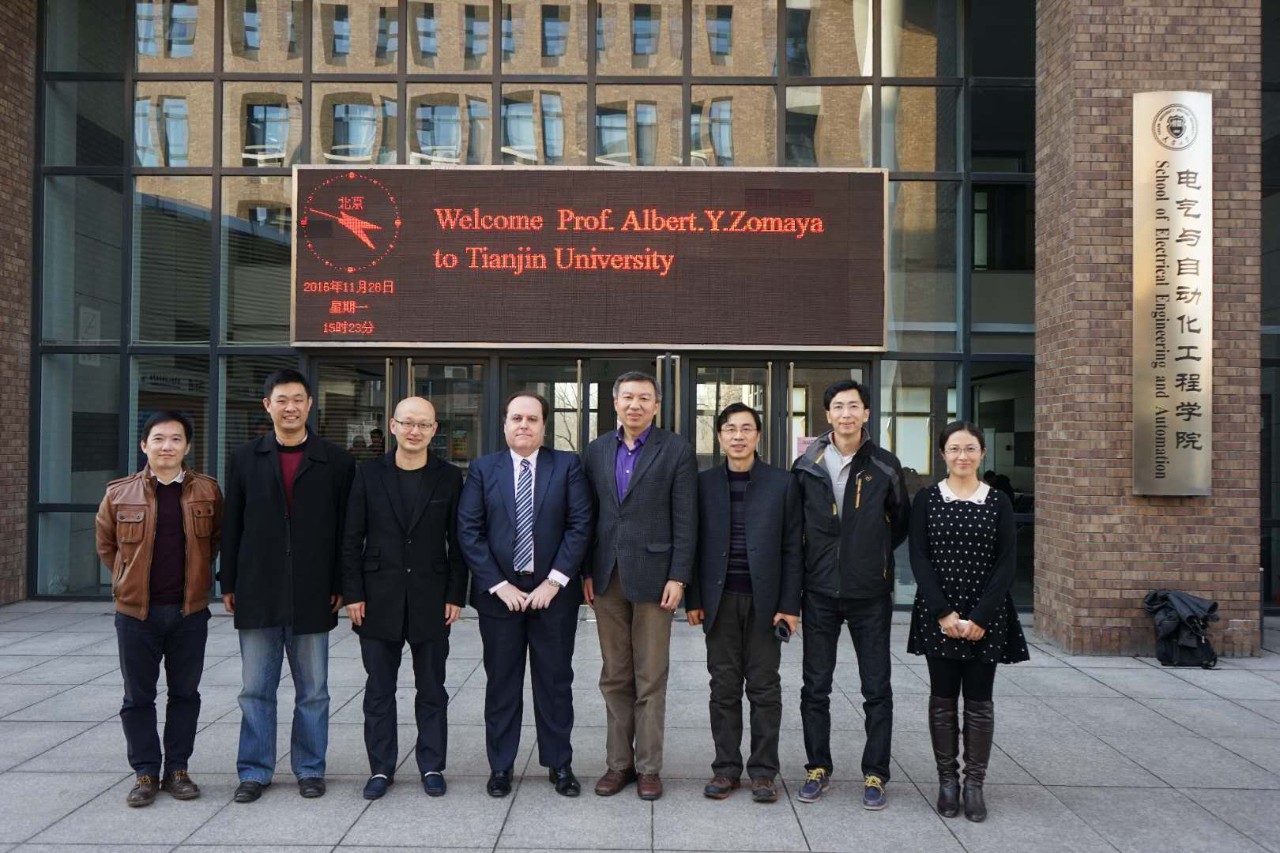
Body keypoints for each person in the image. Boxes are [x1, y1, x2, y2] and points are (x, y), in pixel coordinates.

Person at [219, 368, 356, 803]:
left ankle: (310, 769)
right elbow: (232, 525)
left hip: (314, 589)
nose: (290, 407)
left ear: (310, 404)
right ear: (268, 405)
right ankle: (255, 771)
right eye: (282, 399)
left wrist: (340, 584)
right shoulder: (244, 459)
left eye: (298, 399)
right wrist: (229, 581)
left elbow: (345, 533)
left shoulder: (336, 461)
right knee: (255, 689)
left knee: (313, 691)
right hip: (258, 588)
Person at [458, 391, 593, 798]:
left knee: (555, 682)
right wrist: (500, 586)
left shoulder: (567, 466)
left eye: (532, 419)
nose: (524, 425)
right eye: (516, 418)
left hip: (554, 597)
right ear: (504, 424)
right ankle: (501, 765)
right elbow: (469, 530)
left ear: (544, 426)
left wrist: (554, 582)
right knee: (502, 682)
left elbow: (580, 525)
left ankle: (560, 764)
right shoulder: (483, 469)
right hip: (501, 597)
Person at [792, 379, 909, 809]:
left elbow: (899, 524)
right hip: (819, 590)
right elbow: (795, 526)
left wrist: (869, 556)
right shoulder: (807, 463)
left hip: (869, 594)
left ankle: (876, 772)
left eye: (853, 406)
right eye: (838, 406)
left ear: (866, 413)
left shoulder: (885, 464)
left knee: (876, 687)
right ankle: (817, 767)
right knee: (814, 688)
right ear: (827, 414)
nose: (845, 413)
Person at [96, 411, 223, 807]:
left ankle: (178, 769)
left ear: (187, 446)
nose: (166, 446)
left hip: (189, 613)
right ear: (144, 445)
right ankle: (146, 772)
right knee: (138, 697)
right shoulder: (119, 494)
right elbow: (107, 547)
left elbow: (215, 542)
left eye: (175, 439)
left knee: (185, 694)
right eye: (159, 439)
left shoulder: (207, 491)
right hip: (137, 615)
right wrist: (127, 581)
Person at [342, 396, 467, 799]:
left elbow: (458, 542)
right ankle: (381, 768)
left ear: (434, 430)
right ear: (392, 426)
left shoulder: (448, 477)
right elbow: (350, 539)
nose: (415, 431)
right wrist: (353, 594)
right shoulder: (367, 474)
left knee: (432, 688)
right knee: (379, 688)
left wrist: (455, 595)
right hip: (377, 597)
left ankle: (431, 764)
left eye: (424, 425)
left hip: (432, 598)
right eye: (408, 423)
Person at [581, 371, 697, 801]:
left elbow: (687, 519)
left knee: (650, 676)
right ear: (615, 403)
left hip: (656, 578)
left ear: (656, 405)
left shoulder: (677, 450)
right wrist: (585, 573)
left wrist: (679, 575)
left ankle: (649, 768)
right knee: (614, 675)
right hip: (606, 575)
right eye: (627, 397)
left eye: (644, 398)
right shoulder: (594, 451)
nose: (635, 405)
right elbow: (588, 516)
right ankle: (618, 765)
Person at [908, 421, 1028, 823]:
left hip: (986, 617)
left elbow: (1007, 561)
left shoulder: (997, 501)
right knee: (942, 700)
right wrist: (943, 612)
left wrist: (979, 616)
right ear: (942, 454)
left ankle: (974, 784)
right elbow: (919, 558)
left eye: (970, 448)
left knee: (979, 702)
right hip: (938, 614)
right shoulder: (927, 499)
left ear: (982, 453)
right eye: (955, 449)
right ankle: (947, 782)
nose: (963, 456)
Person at [685, 403, 802, 804]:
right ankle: (726, 769)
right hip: (719, 601)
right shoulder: (702, 484)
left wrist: (790, 604)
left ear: (758, 435)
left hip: (766, 602)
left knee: (765, 687)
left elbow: (792, 548)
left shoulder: (782, 483)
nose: (738, 436)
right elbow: (693, 545)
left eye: (747, 428)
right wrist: (694, 599)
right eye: (730, 429)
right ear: (719, 436)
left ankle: (764, 772)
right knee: (724, 687)